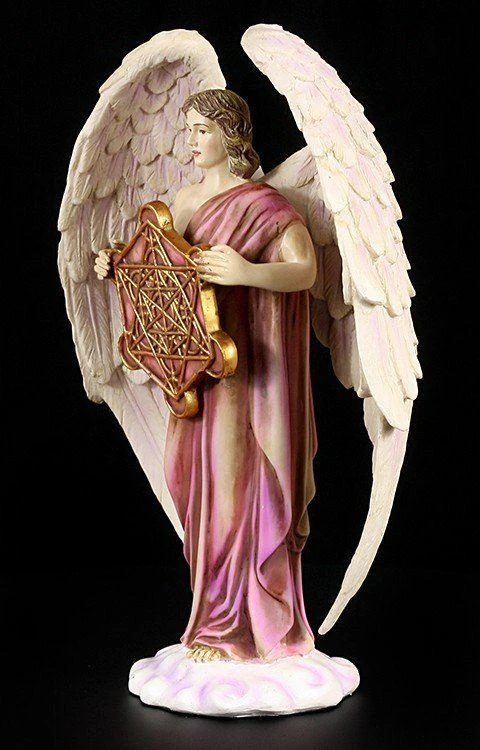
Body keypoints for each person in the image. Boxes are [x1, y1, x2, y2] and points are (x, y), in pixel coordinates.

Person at [95, 89, 318, 663]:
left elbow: (305, 270)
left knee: (233, 491)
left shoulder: (263, 204)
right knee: (191, 487)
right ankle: (213, 615)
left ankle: (232, 628)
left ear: (230, 134)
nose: (190, 140)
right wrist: (118, 266)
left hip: (247, 375)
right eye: (188, 129)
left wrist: (247, 272)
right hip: (195, 373)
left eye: (201, 130)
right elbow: (165, 271)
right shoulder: (184, 199)